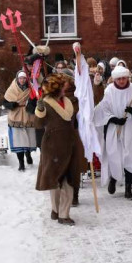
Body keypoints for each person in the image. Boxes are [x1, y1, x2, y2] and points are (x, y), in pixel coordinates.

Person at [94, 63, 132, 199]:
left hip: (130, 128)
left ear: (128, 78)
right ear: (114, 79)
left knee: (129, 156)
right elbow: (103, 108)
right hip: (115, 129)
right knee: (114, 155)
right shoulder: (109, 90)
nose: (121, 81)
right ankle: (114, 179)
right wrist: (113, 118)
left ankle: (128, 187)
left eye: (124, 78)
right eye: (119, 79)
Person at [34, 72, 86, 225]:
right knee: (54, 181)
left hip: (70, 144)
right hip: (52, 147)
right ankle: (55, 210)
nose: (65, 88)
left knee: (68, 181)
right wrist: (40, 110)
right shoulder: (46, 103)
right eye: (62, 87)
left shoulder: (69, 102)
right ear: (56, 90)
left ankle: (63, 214)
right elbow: (38, 124)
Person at [3, 70, 38, 172]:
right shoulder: (12, 88)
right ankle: (21, 162)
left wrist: (31, 104)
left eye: (24, 78)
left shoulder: (31, 88)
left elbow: (36, 98)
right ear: (17, 79)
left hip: (28, 115)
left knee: (28, 138)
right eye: (20, 78)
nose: (22, 80)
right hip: (16, 116)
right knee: (18, 141)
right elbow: (5, 102)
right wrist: (11, 105)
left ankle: (28, 154)